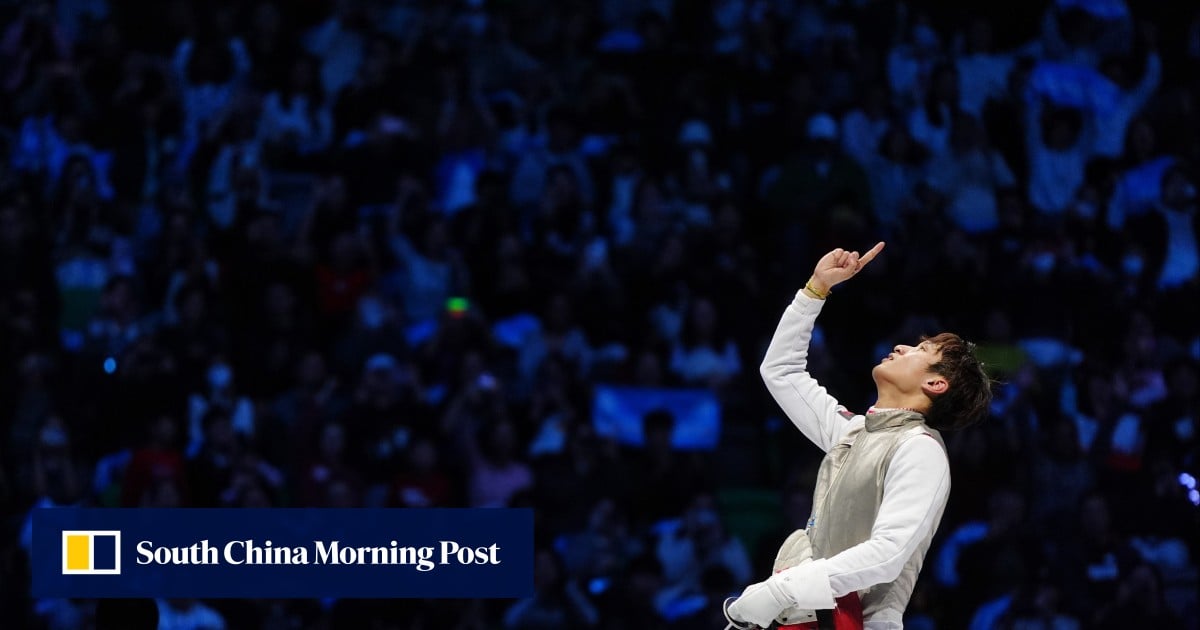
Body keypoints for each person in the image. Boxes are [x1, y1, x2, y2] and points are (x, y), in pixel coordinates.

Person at [725, 242, 993, 629]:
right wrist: (815, 290)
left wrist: (782, 591)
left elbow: (888, 554)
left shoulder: (921, 451)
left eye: (921, 349)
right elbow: (781, 372)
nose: (901, 346)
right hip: (805, 613)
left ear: (936, 383)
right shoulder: (853, 432)